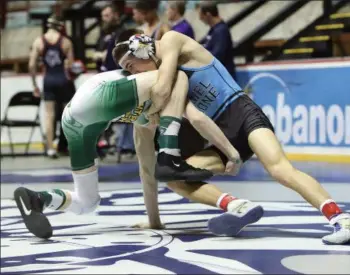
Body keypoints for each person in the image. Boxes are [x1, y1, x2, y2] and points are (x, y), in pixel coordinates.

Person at [114, 29, 350, 245]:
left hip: (241, 113)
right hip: (220, 135)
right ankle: (238, 206)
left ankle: (343, 220)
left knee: (280, 169)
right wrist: (154, 222)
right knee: (174, 177)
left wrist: (144, 110)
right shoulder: (163, 77)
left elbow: (160, 90)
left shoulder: (170, 41)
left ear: (141, 47)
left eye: (130, 67)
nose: (133, 74)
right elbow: (148, 170)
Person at [14, 31, 243, 240]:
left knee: (87, 202)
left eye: (133, 65)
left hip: (76, 123)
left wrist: (154, 221)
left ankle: (38, 199)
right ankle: (169, 153)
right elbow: (195, 117)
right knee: (178, 77)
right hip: (96, 98)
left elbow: (146, 170)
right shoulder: (155, 82)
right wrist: (231, 153)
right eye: (130, 66)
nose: (133, 70)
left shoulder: (142, 117)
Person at [29, 15, 76, 159]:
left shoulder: (39, 41)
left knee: (49, 115)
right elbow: (71, 66)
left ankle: (50, 149)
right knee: (67, 115)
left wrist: (35, 85)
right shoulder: (66, 42)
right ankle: (69, 145)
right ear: (60, 26)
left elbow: (32, 65)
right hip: (62, 79)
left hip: (48, 80)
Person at [197, 2, 236, 80]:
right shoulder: (213, 30)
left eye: (201, 16)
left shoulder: (221, 31)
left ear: (208, 15)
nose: (200, 19)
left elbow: (217, 56)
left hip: (223, 79)